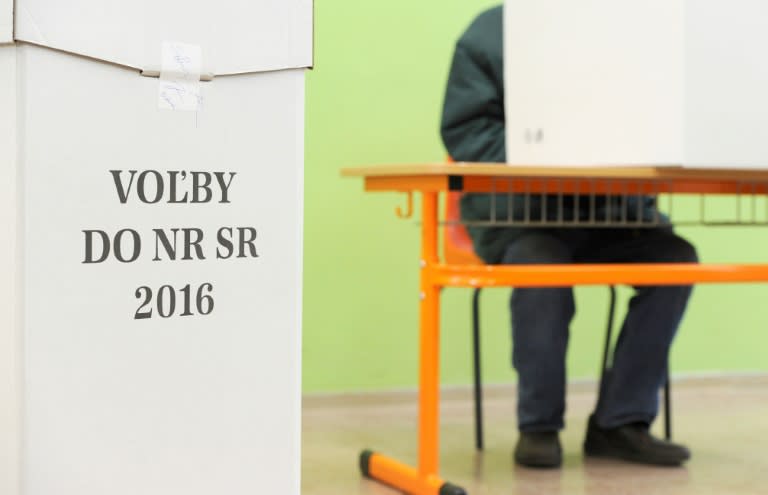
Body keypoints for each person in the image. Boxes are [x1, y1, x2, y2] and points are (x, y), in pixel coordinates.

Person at [440, 5, 698, 469]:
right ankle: (538, 426)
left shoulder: (632, 31)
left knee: (677, 259)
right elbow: (467, 133)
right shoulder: (492, 32)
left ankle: (621, 422)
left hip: (617, 213)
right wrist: (553, 153)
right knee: (542, 270)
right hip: (522, 215)